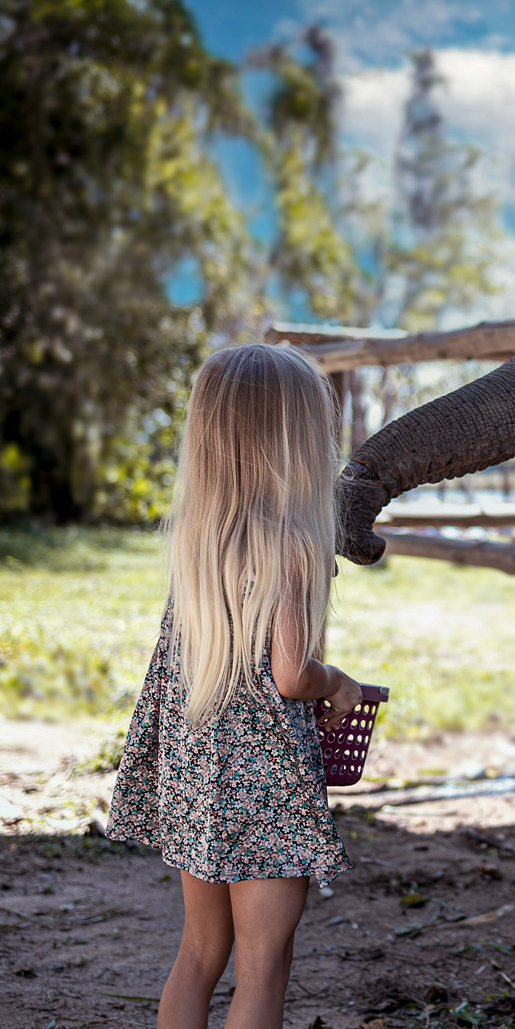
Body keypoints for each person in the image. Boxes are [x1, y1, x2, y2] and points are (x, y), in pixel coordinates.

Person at [107, 342, 366, 1029]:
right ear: (297, 442)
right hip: (266, 793)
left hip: (198, 779)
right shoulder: (295, 547)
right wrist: (336, 683)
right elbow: (289, 675)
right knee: (263, 967)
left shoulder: (197, 542)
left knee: (198, 952)